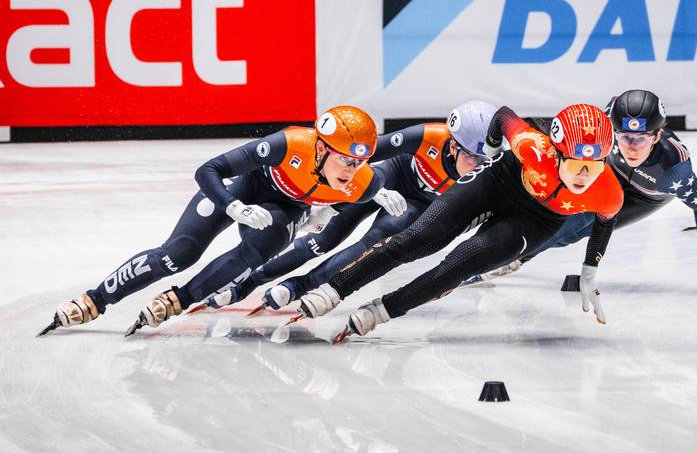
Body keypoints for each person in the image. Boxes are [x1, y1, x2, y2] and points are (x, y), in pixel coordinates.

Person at [39, 106, 404, 336]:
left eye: (362, 162)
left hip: (283, 208)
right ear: (322, 148)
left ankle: (178, 299)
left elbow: (344, 200)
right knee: (177, 255)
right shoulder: (290, 144)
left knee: (266, 244)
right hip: (240, 189)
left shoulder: (364, 182)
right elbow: (209, 169)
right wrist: (233, 206)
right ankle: (96, 299)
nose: (354, 170)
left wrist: (324, 211)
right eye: (346, 160)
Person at [292, 103, 625, 339]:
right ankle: (335, 289)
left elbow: (605, 223)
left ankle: (381, 312)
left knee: (459, 266)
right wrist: (494, 147)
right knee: (417, 238)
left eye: (594, 165)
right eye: (577, 164)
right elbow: (504, 115)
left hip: (536, 221)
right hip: (499, 182)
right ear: (555, 151)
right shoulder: (532, 146)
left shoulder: (608, 191)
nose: (585, 176)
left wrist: (590, 271)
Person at [198, 100, 500, 313]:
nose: (479, 166)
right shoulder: (428, 136)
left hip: (416, 204)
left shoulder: (487, 175)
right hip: (389, 179)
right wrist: (348, 192)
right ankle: (246, 284)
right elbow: (357, 153)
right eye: (474, 158)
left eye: (486, 161)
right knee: (322, 240)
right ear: (452, 145)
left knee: (373, 243)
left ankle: (299, 286)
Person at [465, 90, 697, 293]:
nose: (631, 146)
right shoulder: (606, 121)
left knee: (575, 227)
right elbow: (563, 130)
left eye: (640, 139)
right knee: (554, 206)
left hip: (645, 196)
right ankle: (496, 247)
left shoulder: (675, 171)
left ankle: (509, 260)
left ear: (656, 135)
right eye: (625, 137)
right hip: (607, 171)